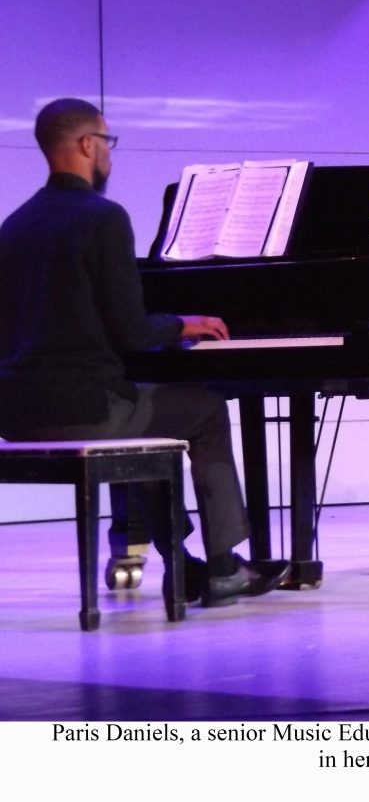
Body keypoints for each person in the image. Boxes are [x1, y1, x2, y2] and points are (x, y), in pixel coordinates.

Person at [0, 98, 289, 606]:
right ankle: (223, 566)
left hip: (18, 413)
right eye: (107, 143)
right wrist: (183, 324)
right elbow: (132, 331)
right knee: (204, 411)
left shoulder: (14, 226)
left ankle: (181, 563)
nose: (109, 155)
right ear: (87, 144)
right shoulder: (103, 218)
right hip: (84, 411)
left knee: (151, 414)